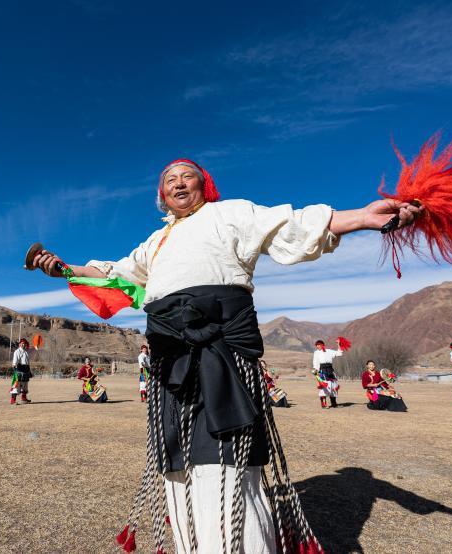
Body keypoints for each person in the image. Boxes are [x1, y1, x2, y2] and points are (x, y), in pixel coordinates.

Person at [28, 157, 420, 552]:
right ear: (162, 194)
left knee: (224, 464)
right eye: (170, 180)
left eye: (188, 177)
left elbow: (292, 223)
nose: (178, 184)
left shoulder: (231, 213)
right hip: (170, 359)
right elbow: (116, 274)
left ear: (205, 185)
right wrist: (63, 268)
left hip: (223, 353)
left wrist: (364, 217)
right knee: (177, 466)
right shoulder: (155, 242)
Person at [312, 339, 342, 409]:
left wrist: (338, 344)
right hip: (322, 371)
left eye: (319, 344)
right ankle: (324, 404)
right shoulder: (316, 353)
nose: (318, 346)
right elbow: (315, 362)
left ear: (323, 345)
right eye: (317, 345)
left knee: (333, 386)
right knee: (324, 387)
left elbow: (339, 353)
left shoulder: (329, 351)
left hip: (330, 370)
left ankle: (334, 403)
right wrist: (316, 370)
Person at [10, 338, 32, 405]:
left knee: (25, 386)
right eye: (22, 343)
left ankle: (24, 399)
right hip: (19, 370)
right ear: (19, 344)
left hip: (26, 371)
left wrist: (29, 371)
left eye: (24, 343)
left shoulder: (26, 352)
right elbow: (14, 362)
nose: (23, 344)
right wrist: (15, 369)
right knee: (16, 386)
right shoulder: (17, 352)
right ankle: (13, 400)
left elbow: (27, 362)